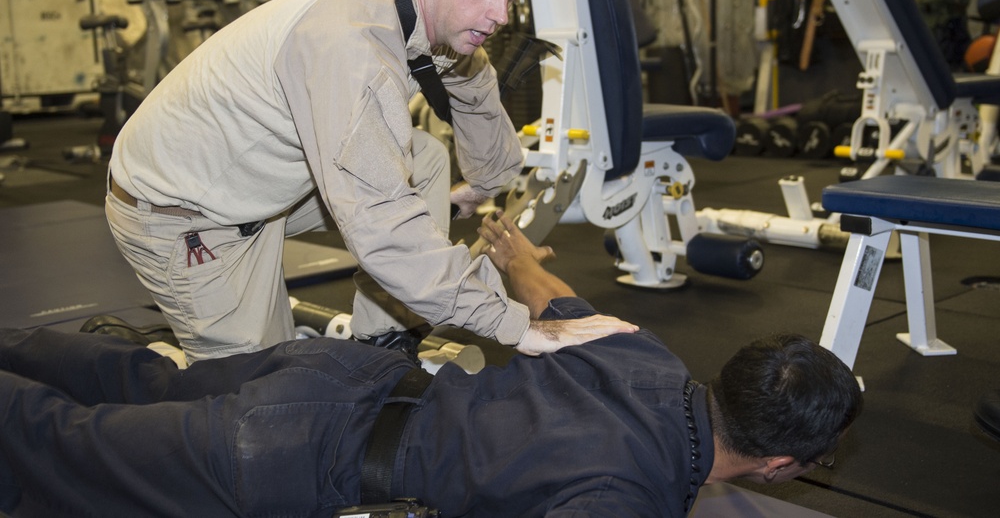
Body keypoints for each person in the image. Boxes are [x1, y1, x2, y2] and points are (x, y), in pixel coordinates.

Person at [0, 213, 863, 517]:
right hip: (305, 454)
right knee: (66, 443)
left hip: (333, 375)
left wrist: (512, 248)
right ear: (780, 464)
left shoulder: (645, 353)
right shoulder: (625, 498)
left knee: (136, 378)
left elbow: (543, 291)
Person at [104, 0, 583, 362]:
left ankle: (384, 337)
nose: (499, 15)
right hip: (181, 213)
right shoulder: (354, 45)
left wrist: (481, 187)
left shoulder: (427, 15)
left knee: (428, 159)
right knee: (267, 399)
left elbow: (476, 93)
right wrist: (518, 326)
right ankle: (144, 359)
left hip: (255, 190)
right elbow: (383, 226)